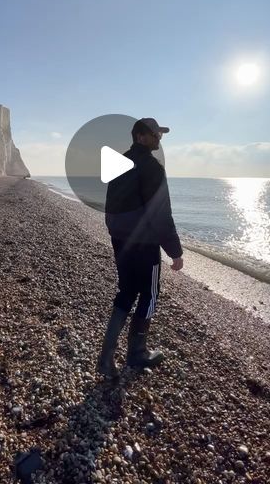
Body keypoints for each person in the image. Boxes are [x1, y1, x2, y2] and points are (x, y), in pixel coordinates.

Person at [97, 118, 183, 378]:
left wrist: (116, 231)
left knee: (126, 291)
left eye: (160, 134)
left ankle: (106, 358)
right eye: (156, 134)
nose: (159, 138)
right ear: (141, 137)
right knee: (150, 293)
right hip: (144, 243)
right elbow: (160, 214)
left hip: (121, 239)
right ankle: (137, 353)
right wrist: (175, 251)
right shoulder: (152, 167)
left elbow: (111, 204)